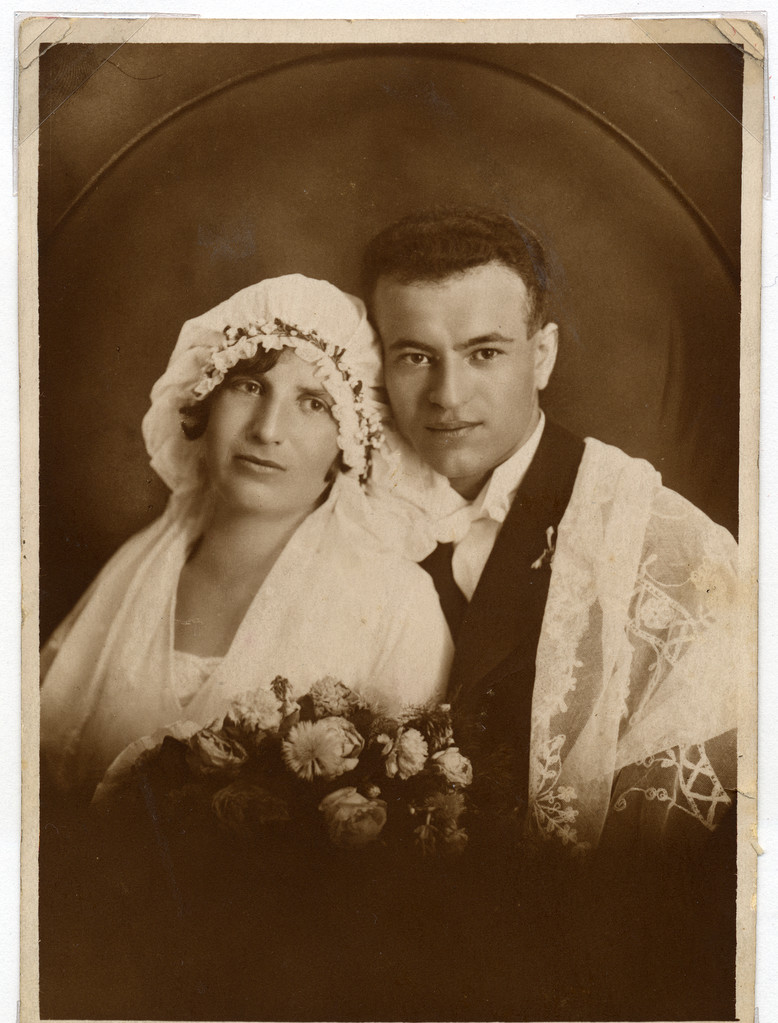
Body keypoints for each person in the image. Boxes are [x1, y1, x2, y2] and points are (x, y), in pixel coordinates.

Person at [362, 207, 738, 855]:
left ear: (542, 356)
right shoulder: (342, 511)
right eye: (416, 357)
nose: (448, 395)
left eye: (485, 353)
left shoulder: (664, 542)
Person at [40, 274, 453, 801]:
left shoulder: (398, 602)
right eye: (250, 387)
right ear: (207, 402)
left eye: (314, 403)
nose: (267, 429)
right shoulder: (140, 563)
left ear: (351, 440)